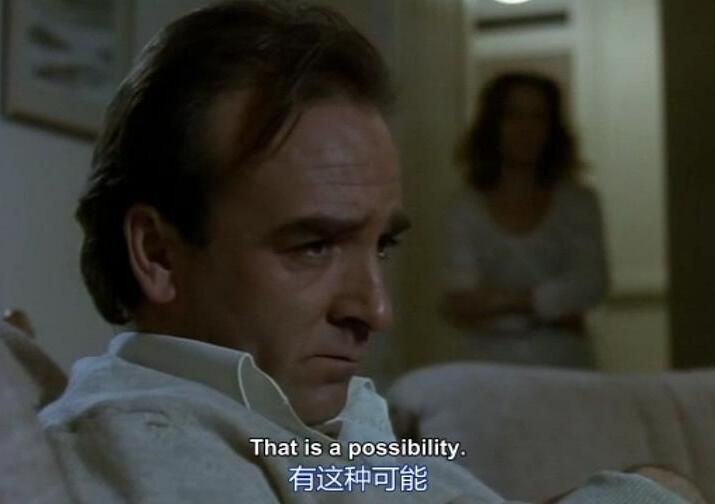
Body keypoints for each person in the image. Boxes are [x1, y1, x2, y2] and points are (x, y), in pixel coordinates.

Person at [39, 2, 698, 502]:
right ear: (158, 253)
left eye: (380, 245)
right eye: (314, 245)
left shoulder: (315, 427)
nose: (376, 311)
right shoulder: (145, 441)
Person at [442, 72, 608, 368]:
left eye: (538, 117)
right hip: (487, 365)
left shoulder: (578, 202)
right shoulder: (465, 207)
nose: (525, 129)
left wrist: (501, 302)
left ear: (552, 128)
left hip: (565, 363)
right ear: (493, 125)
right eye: (513, 116)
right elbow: (461, 299)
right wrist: (551, 305)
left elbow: (591, 285)